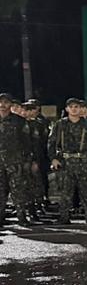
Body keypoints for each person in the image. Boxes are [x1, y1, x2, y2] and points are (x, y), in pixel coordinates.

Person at [49, 98, 87, 224]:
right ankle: (64, 217)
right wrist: (53, 158)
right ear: (67, 109)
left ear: (80, 109)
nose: (74, 109)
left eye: (76, 107)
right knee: (65, 191)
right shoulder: (60, 124)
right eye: (71, 107)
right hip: (66, 162)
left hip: (83, 162)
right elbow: (51, 142)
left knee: (86, 190)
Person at [0, 93, 37, 227]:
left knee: (18, 190)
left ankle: (22, 217)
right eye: (0, 102)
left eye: (6, 102)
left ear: (10, 104)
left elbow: (27, 142)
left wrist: (29, 160)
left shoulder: (19, 121)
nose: (2, 105)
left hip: (15, 161)